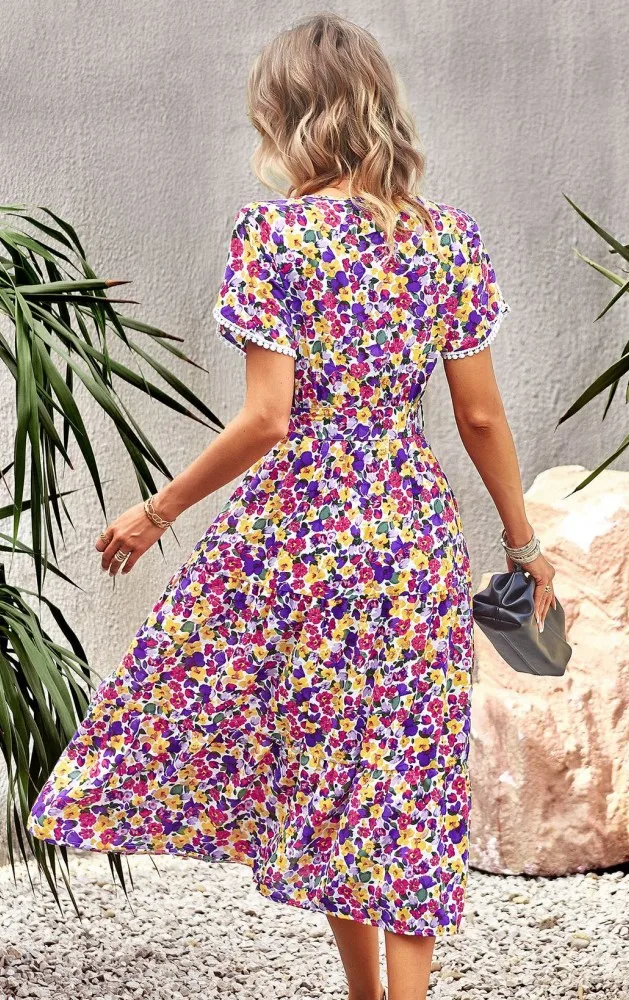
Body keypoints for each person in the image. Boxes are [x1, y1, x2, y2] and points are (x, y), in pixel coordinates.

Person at [27, 11, 556, 1000]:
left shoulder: (273, 235)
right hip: (409, 531)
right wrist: (524, 545)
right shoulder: (446, 239)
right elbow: (480, 417)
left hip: (307, 535)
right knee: (405, 775)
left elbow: (269, 420)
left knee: (329, 764)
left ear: (287, 115)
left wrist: (158, 511)